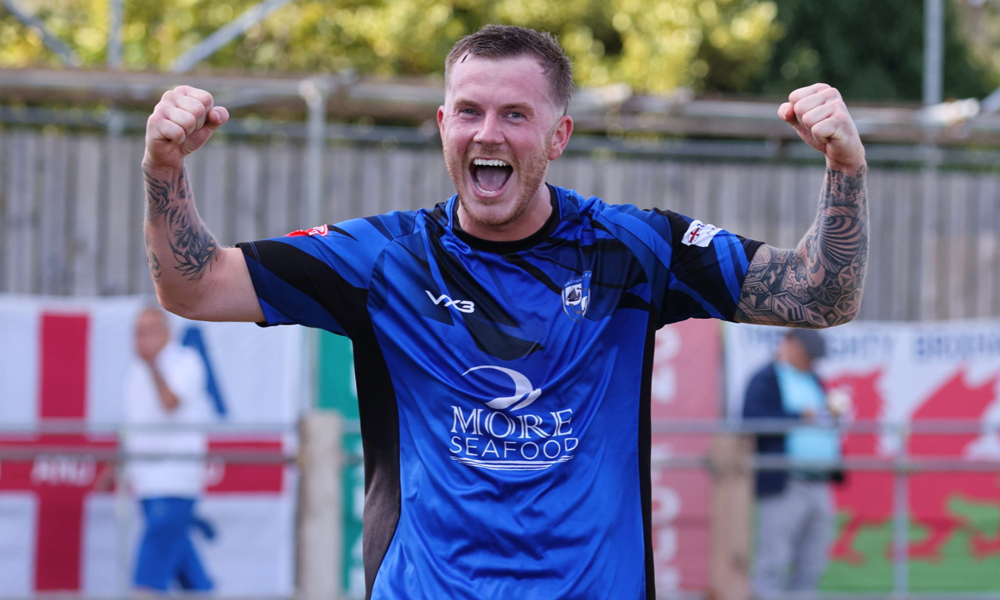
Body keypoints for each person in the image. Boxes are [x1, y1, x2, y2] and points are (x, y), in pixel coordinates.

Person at [140, 24, 868, 600]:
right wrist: (163, 170)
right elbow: (194, 287)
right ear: (443, 125)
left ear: (558, 136)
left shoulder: (634, 251)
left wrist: (845, 169)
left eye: (515, 114)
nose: (488, 133)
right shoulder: (384, 260)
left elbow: (820, 294)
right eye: (470, 111)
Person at [742, 329, 845, 595]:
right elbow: (752, 420)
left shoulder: (814, 378)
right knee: (773, 560)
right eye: (808, 354)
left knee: (812, 562)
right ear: (790, 344)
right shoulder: (766, 378)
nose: (812, 361)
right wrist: (799, 417)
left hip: (819, 483)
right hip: (784, 483)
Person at [124, 307, 214, 593]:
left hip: (175, 477)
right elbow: (134, 425)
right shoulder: (136, 371)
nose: (143, 339)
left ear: (167, 334)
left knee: (153, 558)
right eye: (139, 332)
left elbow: (170, 402)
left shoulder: (185, 361)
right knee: (182, 559)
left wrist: (154, 366)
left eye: (150, 331)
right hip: (145, 479)